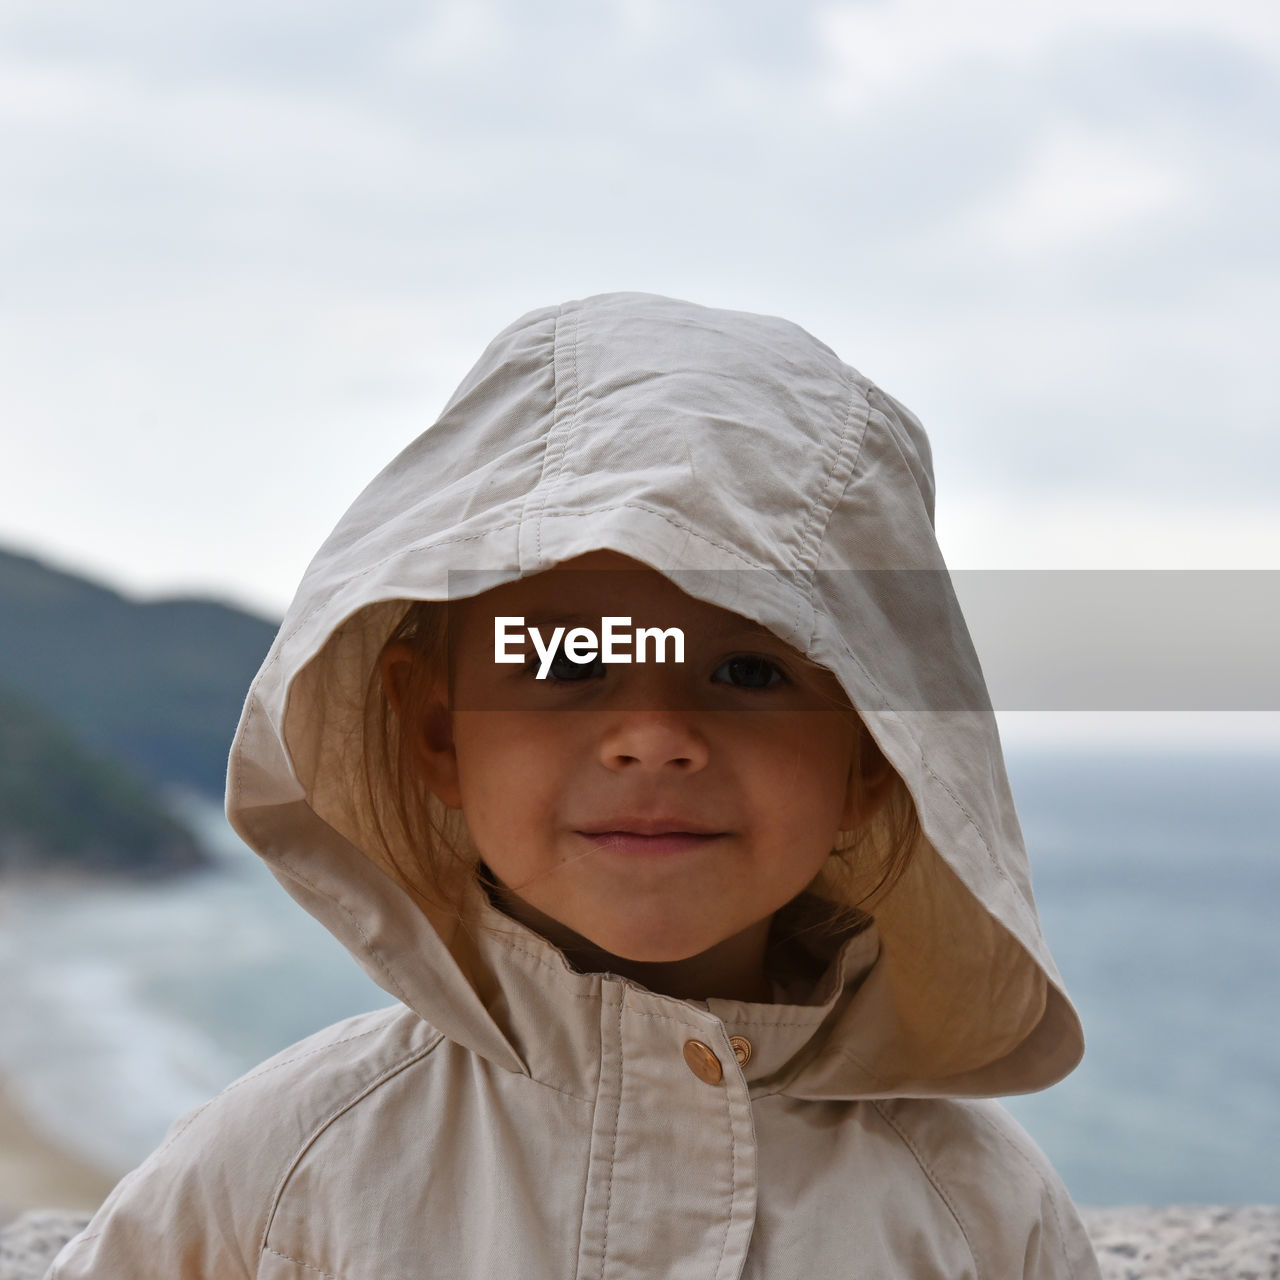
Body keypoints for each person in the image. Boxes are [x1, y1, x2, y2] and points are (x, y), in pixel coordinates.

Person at [49, 292, 1102, 1278]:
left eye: (748, 669)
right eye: (564, 663)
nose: (652, 737)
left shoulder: (976, 1208)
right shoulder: (279, 1166)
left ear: (870, 758)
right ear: (436, 729)